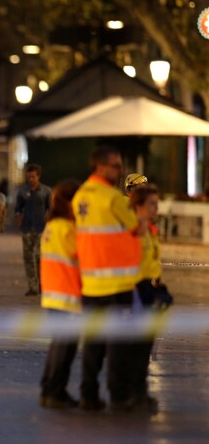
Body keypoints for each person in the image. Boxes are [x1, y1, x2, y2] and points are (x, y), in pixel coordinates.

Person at [73, 145, 144, 411]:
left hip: (91, 283)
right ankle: (118, 395)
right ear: (100, 167)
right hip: (118, 283)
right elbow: (136, 229)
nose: (120, 170)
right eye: (115, 165)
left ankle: (88, 395)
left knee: (92, 344)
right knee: (118, 345)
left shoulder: (81, 195)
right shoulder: (112, 198)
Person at [39, 179, 82, 409]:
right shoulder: (66, 228)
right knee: (64, 347)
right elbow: (81, 257)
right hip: (67, 295)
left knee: (60, 345)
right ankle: (54, 392)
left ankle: (50, 389)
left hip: (54, 294)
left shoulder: (53, 226)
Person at [129, 184, 166, 411]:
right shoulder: (131, 229)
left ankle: (139, 392)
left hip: (149, 290)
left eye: (157, 204)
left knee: (145, 347)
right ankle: (130, 394)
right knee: (135, 347)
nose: (156, 208)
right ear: (138, 206)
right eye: (151, 204)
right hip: (134, 291)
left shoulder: (150, 229)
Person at [14, 163, 52, 296]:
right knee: (28, 259)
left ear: (38, 176)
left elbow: (51, 209)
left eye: (33, 177)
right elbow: (17, 209)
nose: (31, 179)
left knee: (40, 258)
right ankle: (32, 287)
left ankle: (43, 285)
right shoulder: (23, 191)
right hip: (27, 229)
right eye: (29, 177)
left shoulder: (46, 191)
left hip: (42, 229)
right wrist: (20, 223)